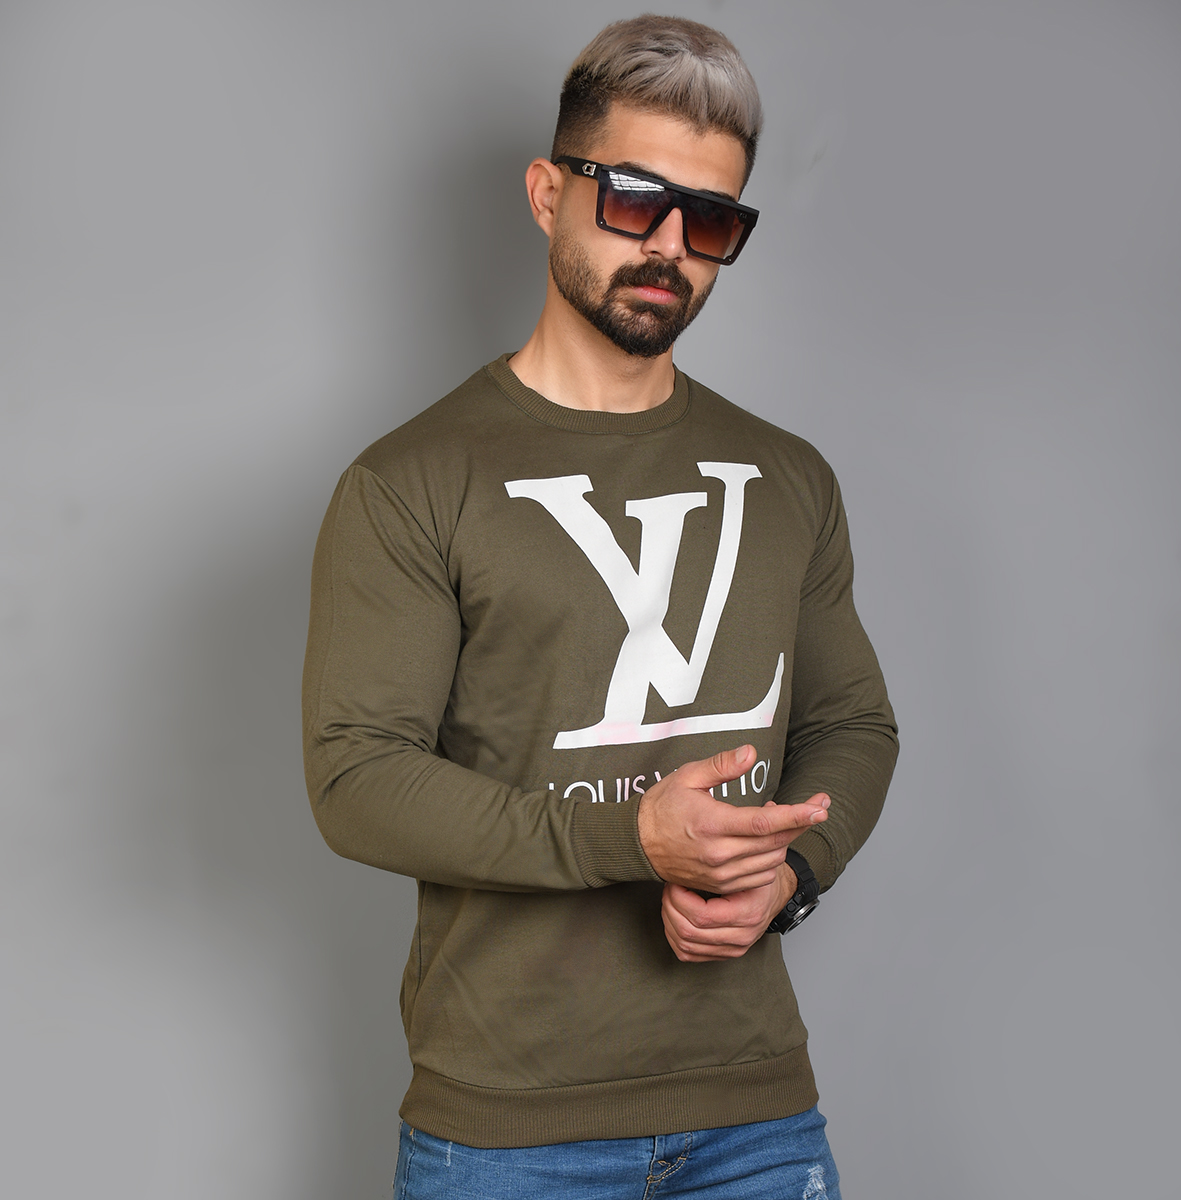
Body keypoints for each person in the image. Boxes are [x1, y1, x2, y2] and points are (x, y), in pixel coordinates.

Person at [302, 15, 897, 1199]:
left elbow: (853, 724)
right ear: (547, 194)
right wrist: (627, 841)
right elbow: (356, 778)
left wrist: (792, 875)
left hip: (757, 1116)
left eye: (710, 220)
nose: (670, 245)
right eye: (633, 198)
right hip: (509, 1134)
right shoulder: (412, 483)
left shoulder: (788, 477)